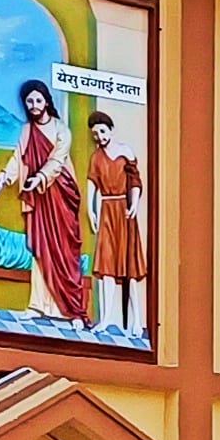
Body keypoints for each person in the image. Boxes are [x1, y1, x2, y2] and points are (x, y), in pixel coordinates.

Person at [0, 78, 90, 323]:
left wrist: (40, 179)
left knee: (63, 252)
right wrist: (5, 176)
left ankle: (73, 310)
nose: (34, 105)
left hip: (60, 198)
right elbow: (19, 157)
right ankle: (37, 306)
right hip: (38, 201)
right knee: (39, 249)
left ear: (46, 101)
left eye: (38, 100)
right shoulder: (27, 130)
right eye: (29, 101)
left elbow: (58, 161)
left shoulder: (61, 130)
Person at [81, 104, 146, 338]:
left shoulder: (126, 151)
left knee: (129, 267)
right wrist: (91, 210)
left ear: (110, 130)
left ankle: (137, 321)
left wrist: (134, 205)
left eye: (102, 131)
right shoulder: (96, 158)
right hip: (107, 211)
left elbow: (136, 182)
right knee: (107, 268)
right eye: (95, 133)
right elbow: (92, 186)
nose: (100, 136)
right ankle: (106, 319)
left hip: (125, 213)